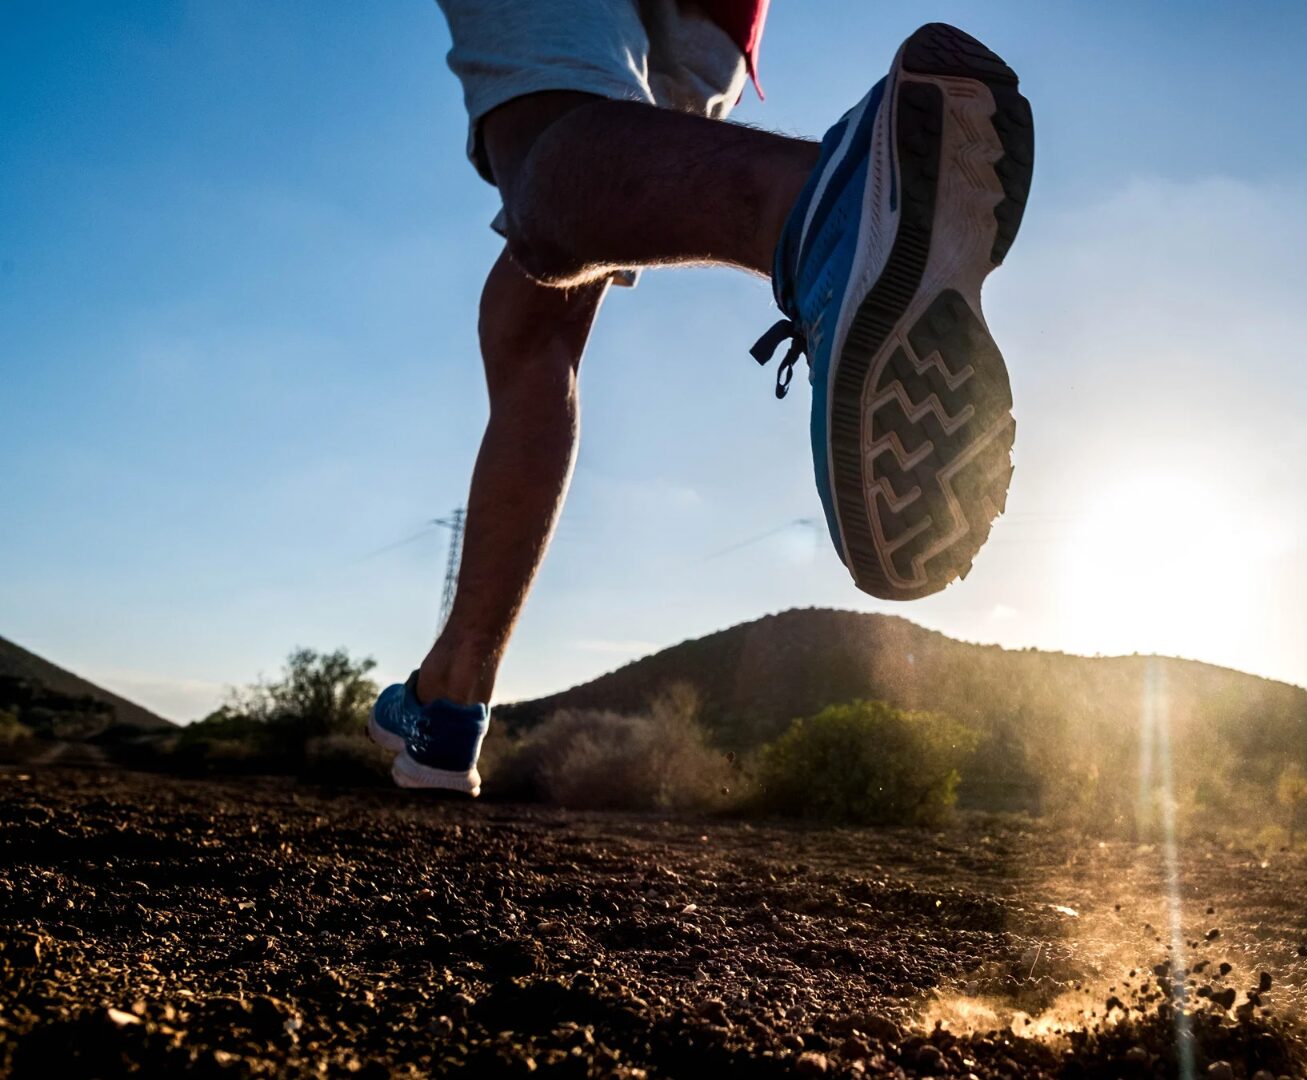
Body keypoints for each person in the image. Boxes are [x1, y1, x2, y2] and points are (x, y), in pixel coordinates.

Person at [365, 0, 1034, 795]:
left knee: (546, 166)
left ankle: (820, 207)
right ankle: (449, 697)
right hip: (721, 19)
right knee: (538, 309)